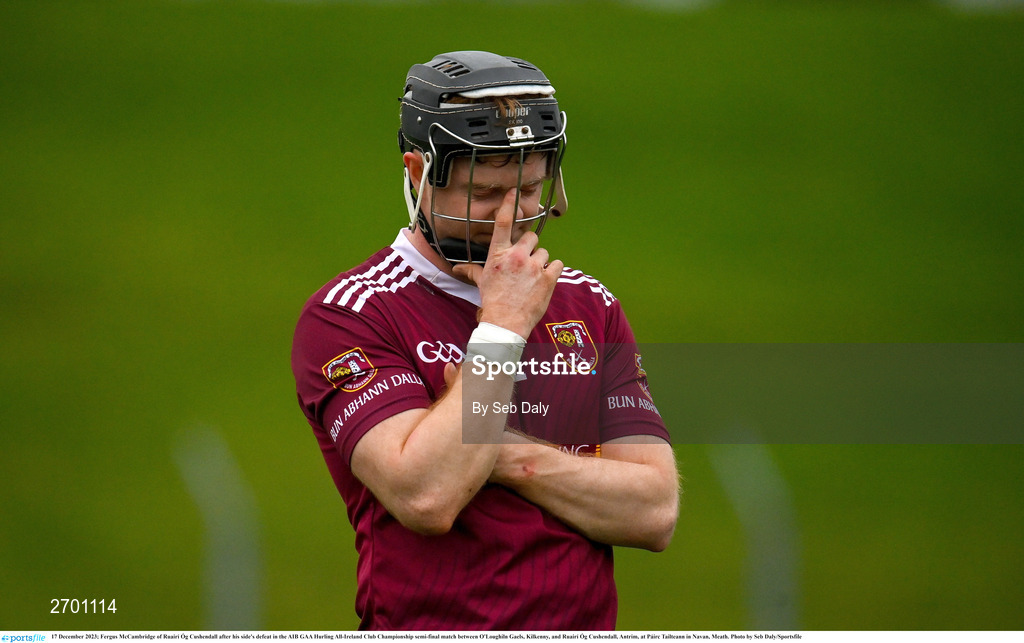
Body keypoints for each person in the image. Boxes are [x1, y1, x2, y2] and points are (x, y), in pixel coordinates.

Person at [291, 50, 679, 631]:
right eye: (486, 193)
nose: (513, 217)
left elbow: (652, 511)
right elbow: (426, 496)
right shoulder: (352, 313)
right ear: (420, 173)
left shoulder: (590, 307)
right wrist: (501, 328)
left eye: (528, 189)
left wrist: (504, 454)